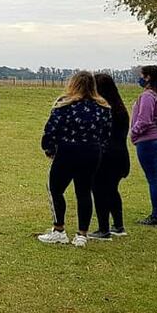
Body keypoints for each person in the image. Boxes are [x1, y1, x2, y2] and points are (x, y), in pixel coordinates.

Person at [37, 71, 111, 248]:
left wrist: (48, 147)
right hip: (91, 153)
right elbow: (106, 134)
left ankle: (59, 230)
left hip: (67, 151)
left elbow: (51, 128)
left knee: (55, 189)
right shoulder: (103, 108)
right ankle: (82, 234)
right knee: (84, 192)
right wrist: (99, 149)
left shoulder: (64, 104)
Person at [90, 73, 131, 239]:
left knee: (99, 190)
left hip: (105, 156)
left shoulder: (102, 110)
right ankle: (118, 225)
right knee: (112, 190)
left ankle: (103, 229)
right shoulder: (121, 109)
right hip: (121, 155)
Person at [131, 65, 157, 226]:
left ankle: (156, 216)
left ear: (148, 77)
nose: (140, 78)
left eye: (141, 75)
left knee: (154, 180)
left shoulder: (148, 95)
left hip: (148, 140)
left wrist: (133, 133)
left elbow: (144, 120)